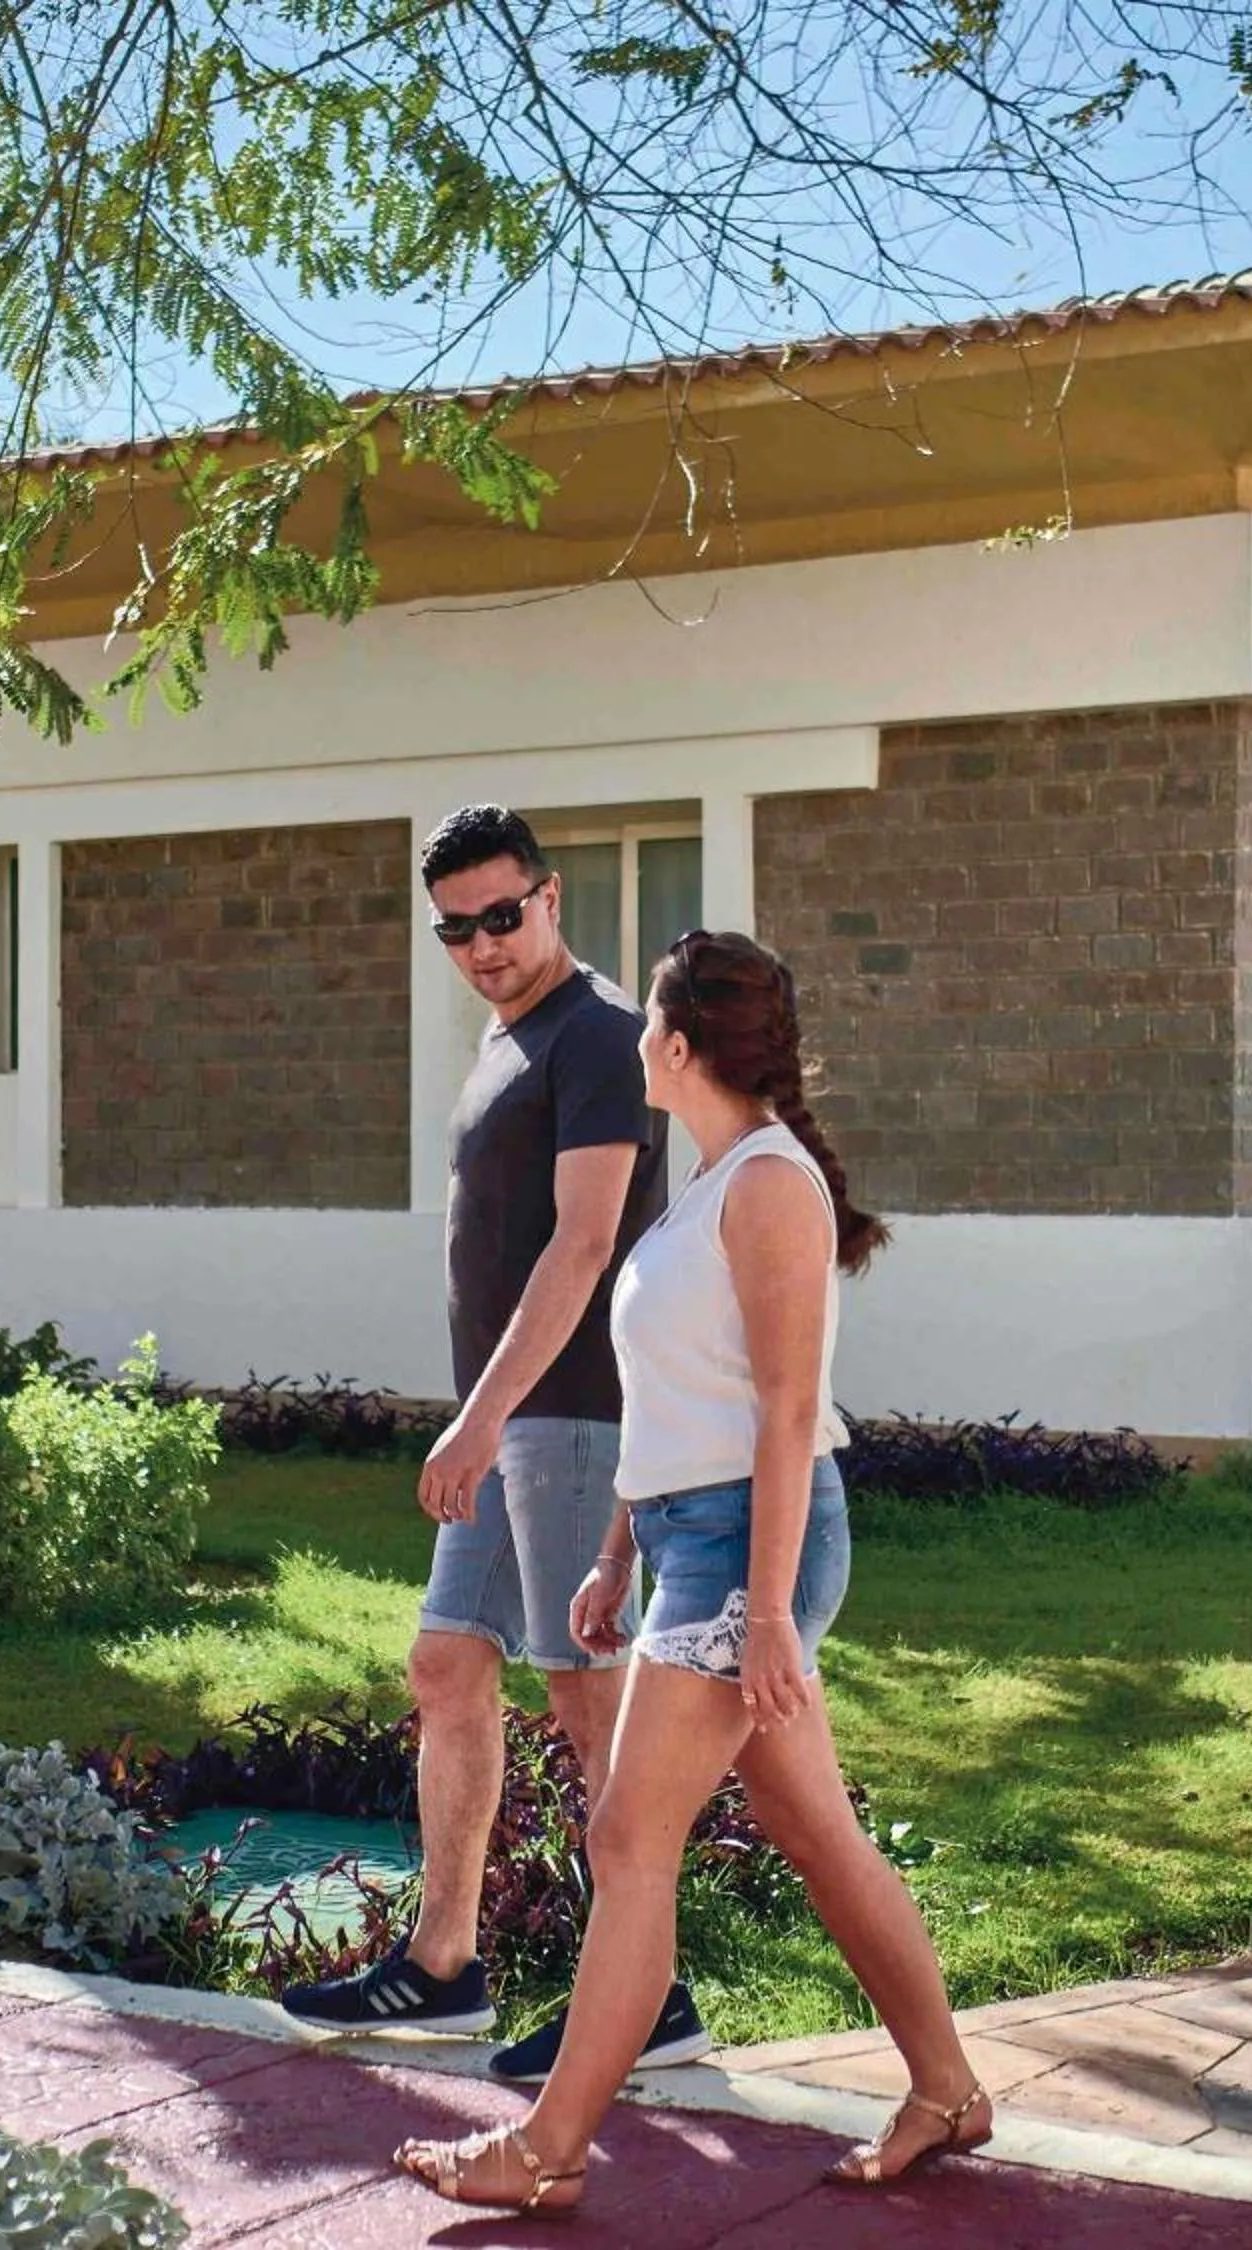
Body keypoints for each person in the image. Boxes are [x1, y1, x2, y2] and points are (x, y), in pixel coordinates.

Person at [396, 930, 995, 2212]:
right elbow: (678, 1402)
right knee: (816, 1830)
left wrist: (766, 1610)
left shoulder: (771, 1185)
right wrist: (620, 1553)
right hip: (690, 1540)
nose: (631, 1043)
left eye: (646, 1023)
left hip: (747, 1546)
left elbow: (785, 1415)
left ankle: (546, 2150)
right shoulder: (715, 1181)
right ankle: (946, 2090)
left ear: (677, 1043)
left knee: (630, 1834)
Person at [282, 806, 711, 2079]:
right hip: (513, 1424)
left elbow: (584, 1244)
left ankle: (649, 1998)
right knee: (445, 1669)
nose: (481, 944)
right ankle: (444, 1968)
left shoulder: (597, 1037)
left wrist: (477, 1419)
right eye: (455, 927)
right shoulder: (509, 1041)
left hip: (570, 1418)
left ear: (551, 897)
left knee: (587, 1705)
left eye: (502, 916)